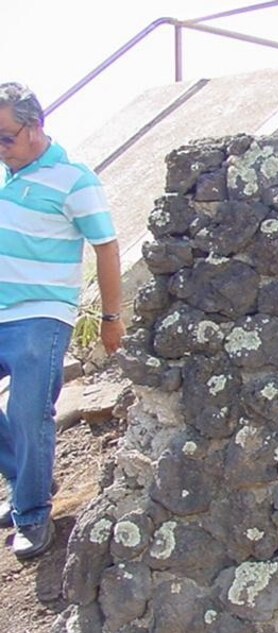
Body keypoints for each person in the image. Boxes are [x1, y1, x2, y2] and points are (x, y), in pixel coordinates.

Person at [0, 82, 124, 560]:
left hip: (40, 317)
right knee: (22, 429)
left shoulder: (74, 180)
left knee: (28, 413)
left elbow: (107, 246)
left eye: (7, 137)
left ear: (35, 127)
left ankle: (31, 514)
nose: (1, 148)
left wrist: (112, 318)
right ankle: (23, 473)